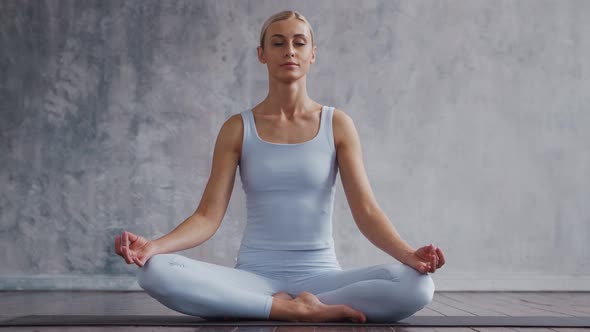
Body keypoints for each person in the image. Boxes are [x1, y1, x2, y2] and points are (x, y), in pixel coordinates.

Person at [114, 10, 445, 323]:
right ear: (262, 54)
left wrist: (409, 255)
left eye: (299, 42)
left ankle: (275, 308)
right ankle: (290, 309)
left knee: (417, 286)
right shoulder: (237, 128)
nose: (289, 50)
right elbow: (206, 217)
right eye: (278, 42)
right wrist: (154, 247)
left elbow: (368, 213)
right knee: (155, 271)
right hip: (254, 277)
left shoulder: (337, 125)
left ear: (312, 53)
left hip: (323, 280)